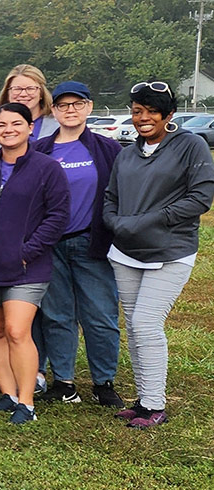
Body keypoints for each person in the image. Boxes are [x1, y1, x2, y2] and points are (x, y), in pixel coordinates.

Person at [103, 81, 214, 429]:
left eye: (152, 111)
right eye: (138, 111)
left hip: (170, 250)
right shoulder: (127, 153)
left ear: (168, 115)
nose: (143, 118)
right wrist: (114, 222)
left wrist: (149, 221)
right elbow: (110, 196)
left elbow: (200, 198)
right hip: (126, 252)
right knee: (135, 330)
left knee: (146, 324)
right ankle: (143, 399)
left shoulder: (190, 146)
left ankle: (155, 405)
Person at [0, 103, 71, 425]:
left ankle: (27, 401)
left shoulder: (47, 168)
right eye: (2, 124)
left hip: (27, 267)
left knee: (17, 330)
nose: (8, 129)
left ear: (30, 128)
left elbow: (57, 216)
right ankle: (7, 394)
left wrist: (28, 250)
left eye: (16, 123)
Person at [32, 81, 125, 407]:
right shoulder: (40, 149)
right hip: (51, 246)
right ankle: (64, 382)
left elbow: (123, 193)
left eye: (77, 104)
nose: (70, 110)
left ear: (88, 107)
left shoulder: (106, 149)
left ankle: (103, 383)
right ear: (53, 110)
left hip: (92, 243)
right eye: (63, 105)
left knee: (100, 315)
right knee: (57, 315)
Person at [0, 65, 59, 141]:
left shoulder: (59, 128)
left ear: (41, 93)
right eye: (17, 89)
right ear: (7, 93)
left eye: (30, 88)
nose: (23, 94)